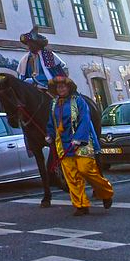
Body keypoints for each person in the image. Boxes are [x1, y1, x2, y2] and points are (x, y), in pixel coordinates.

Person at [45, 76, 113, 216]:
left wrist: (78, 138)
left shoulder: (79, 101)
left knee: (86, 169)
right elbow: (52, 123)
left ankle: (105, 193)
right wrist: (49, 135)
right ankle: (81, 205)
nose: (61, 89)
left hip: (81, 142)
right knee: (71, 175)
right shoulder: (54, 104)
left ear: (69, 88)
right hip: (63, 144)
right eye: (58, 87)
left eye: (63, 87)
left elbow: (85, 120)